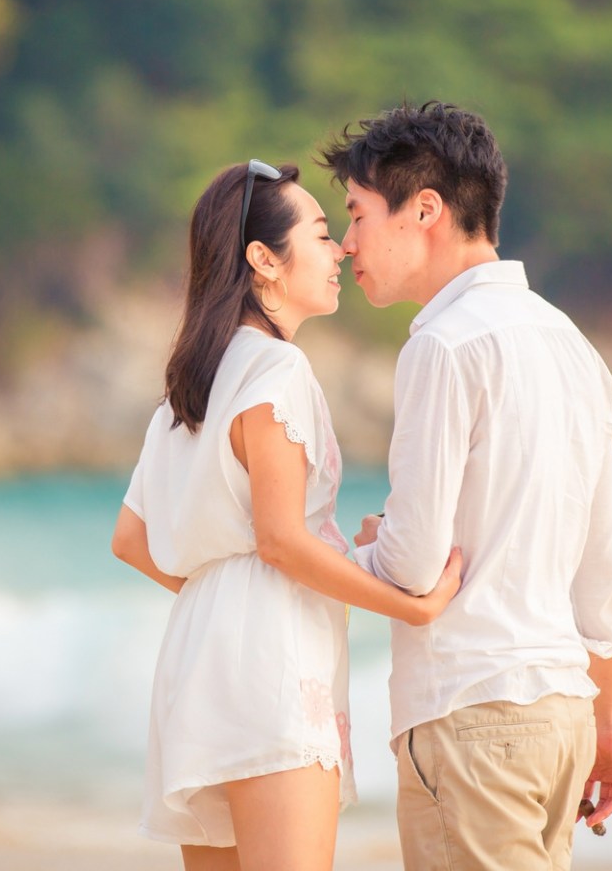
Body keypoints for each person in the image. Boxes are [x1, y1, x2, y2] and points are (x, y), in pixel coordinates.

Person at [111, 159, 464, 871]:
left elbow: (131, 540)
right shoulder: (276, 370)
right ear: (263, 261)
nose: (340, 252)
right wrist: (410, 607)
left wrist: (223, 593)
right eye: (323, 233)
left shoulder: (192, 384)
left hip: (195, 662)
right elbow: (280, 540)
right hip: (270, 666)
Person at [318, 102, 612, 870]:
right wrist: (608, 726)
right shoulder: (573, 345)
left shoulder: (443, 345)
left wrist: (340, 551)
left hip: (474, 715)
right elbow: (608, 583)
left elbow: (413, 565)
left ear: (424, 209)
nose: (348, 243)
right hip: (565, 713)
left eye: (359, 215)